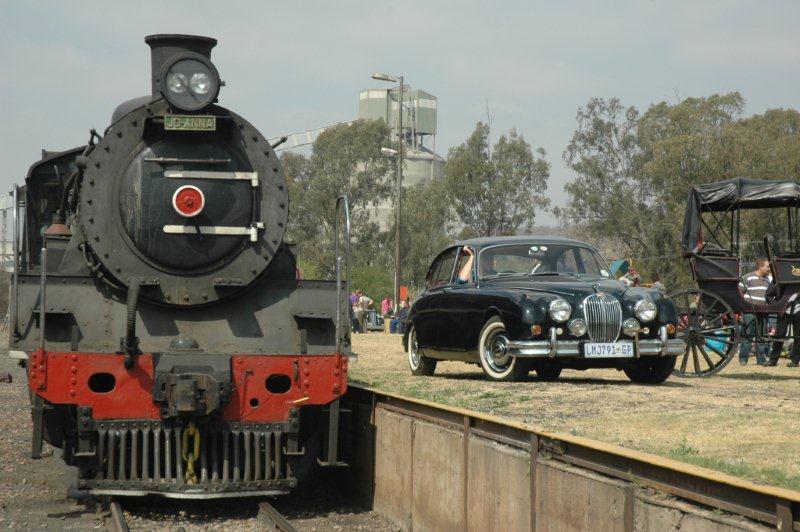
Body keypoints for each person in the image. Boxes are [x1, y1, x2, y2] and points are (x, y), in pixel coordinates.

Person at [738, 258, 772, 365]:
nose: (769, 268)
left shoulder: (768, 280)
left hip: (763, 311)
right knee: (747, 335)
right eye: (767, 266)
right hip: (749, 311)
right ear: (761, 267)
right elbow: (739, 291)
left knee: (761, 336)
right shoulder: (747, 277)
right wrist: (745, 305)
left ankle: (761, 360)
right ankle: (743, 360)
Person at [766, 293, 800, 367]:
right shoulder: (777, 281)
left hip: (798, 310)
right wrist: (778, 306)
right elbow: (769, 294)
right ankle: (773, 360)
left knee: (798, 337)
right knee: (779, 335)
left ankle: (795, 361)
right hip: (783, 311)